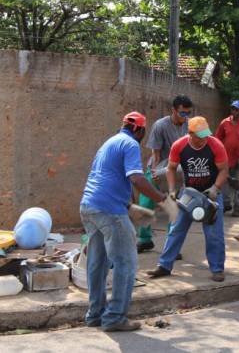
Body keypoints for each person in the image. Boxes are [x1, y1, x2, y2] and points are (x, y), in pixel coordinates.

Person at [79, 112, 170, 332]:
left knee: (97, 263)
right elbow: (137, 179)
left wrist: (130, 206)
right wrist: (163, 200)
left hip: (89, 206)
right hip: (109, 209)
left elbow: (112, 177)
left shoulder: (109, 143)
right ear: (140, 130)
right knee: (126, 263)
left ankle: (95, 315)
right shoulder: (130, 144)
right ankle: (115, 317)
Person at [147, 116, 229, 282]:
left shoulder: (216, 145)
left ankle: (217, 268)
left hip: (210, 195)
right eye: (200, 136)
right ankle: (164, 265)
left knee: (214, 234)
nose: (203, 139)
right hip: (188, 194)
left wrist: (215, 188)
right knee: (176, 229)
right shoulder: (180, 146)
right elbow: (170, 168)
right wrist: (171, 190)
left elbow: (224, 170)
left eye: (206, 135)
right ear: (190, 133)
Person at [136, 94, 193, 253]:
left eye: (188, 113)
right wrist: (154, 173)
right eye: (182, 113)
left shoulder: (189, 126)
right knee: (146, 202)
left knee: (174, 205)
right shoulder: (160, 125)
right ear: (173, 110)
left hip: (178, 170)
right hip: (159, 165)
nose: (185, 117)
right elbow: (156, 154)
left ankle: (172, 245)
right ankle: (144, 239)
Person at [215, 100, 239, 217]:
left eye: (237, 109)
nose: (234, 111)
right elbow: (217, 139)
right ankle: (225, 204)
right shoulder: (224, 123)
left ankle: (238, 208)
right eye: (233, 109)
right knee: (223, 183)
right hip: (226, 161)